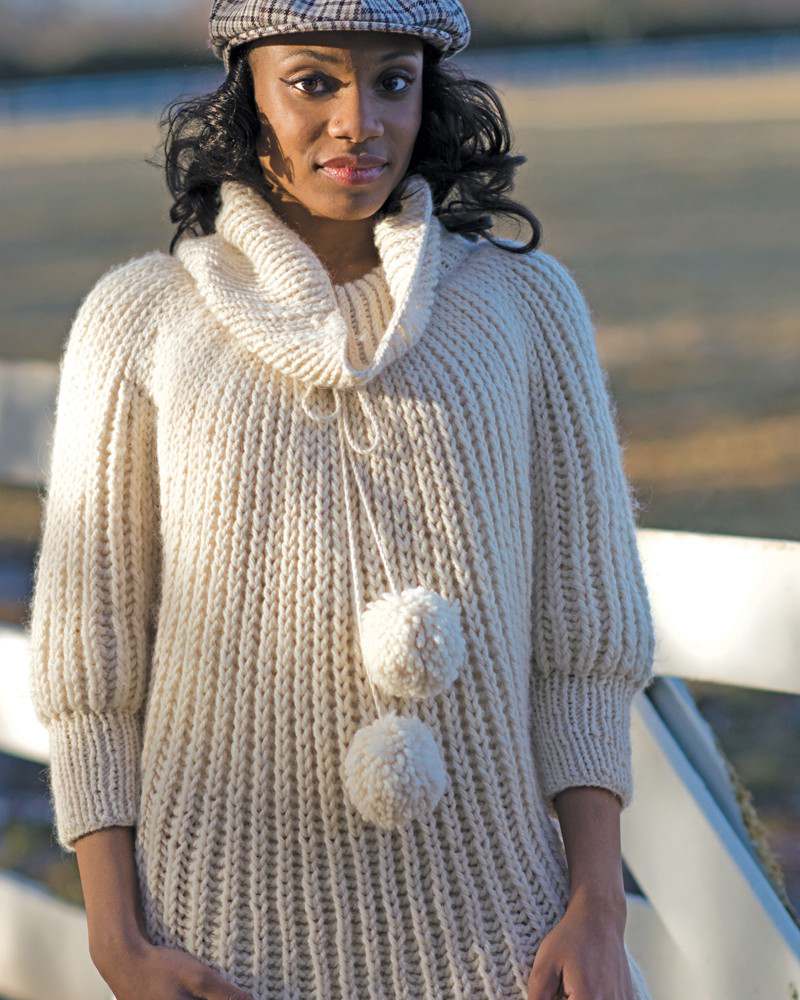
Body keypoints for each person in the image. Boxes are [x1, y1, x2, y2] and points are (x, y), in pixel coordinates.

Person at [27, 2, 658, 998]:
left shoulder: (525, 307)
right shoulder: (141, 317)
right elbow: (89, 664)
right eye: (313, 81)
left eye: (392, 80)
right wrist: (118, 940)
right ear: (247, 94)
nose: (359, 120)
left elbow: (587, 639)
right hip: (219, 936)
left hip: (500, 928)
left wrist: (598, 909)